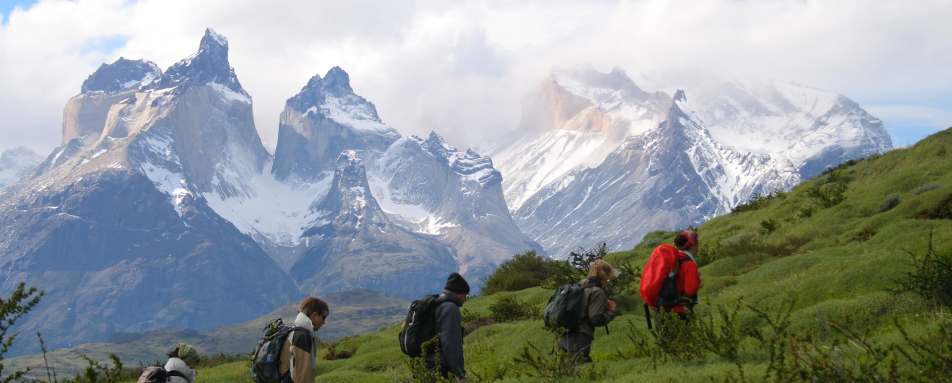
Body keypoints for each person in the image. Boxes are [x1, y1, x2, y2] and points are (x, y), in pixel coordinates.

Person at [560, 259, 619, 363]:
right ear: (605, 277)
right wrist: (611, 311)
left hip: (564, 335)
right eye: (609, 279)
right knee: (581, 365)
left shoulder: (581, 285)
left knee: (568, 367)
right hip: (581, 335)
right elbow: (595, 320)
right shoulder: (598, 292)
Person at [426, 272, 470, 380]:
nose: (466, 299)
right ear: (459, 294)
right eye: (466, 295)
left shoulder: (437, 304)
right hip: (439, 367)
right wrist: (460, 374)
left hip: (425, 364)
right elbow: (451, 344)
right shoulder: (451, 309)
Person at [279, 296, 329, 383]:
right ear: (314, 315)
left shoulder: (295, 331)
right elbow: (301, 377)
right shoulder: (302, 337)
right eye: (323, 317)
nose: (324, 322)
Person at [671, 229, 701, 316]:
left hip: (661, 307)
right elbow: (690, 290)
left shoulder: (674, 259)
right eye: (697, 244)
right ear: (693, 245)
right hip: (679, 310)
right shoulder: (689, 264)